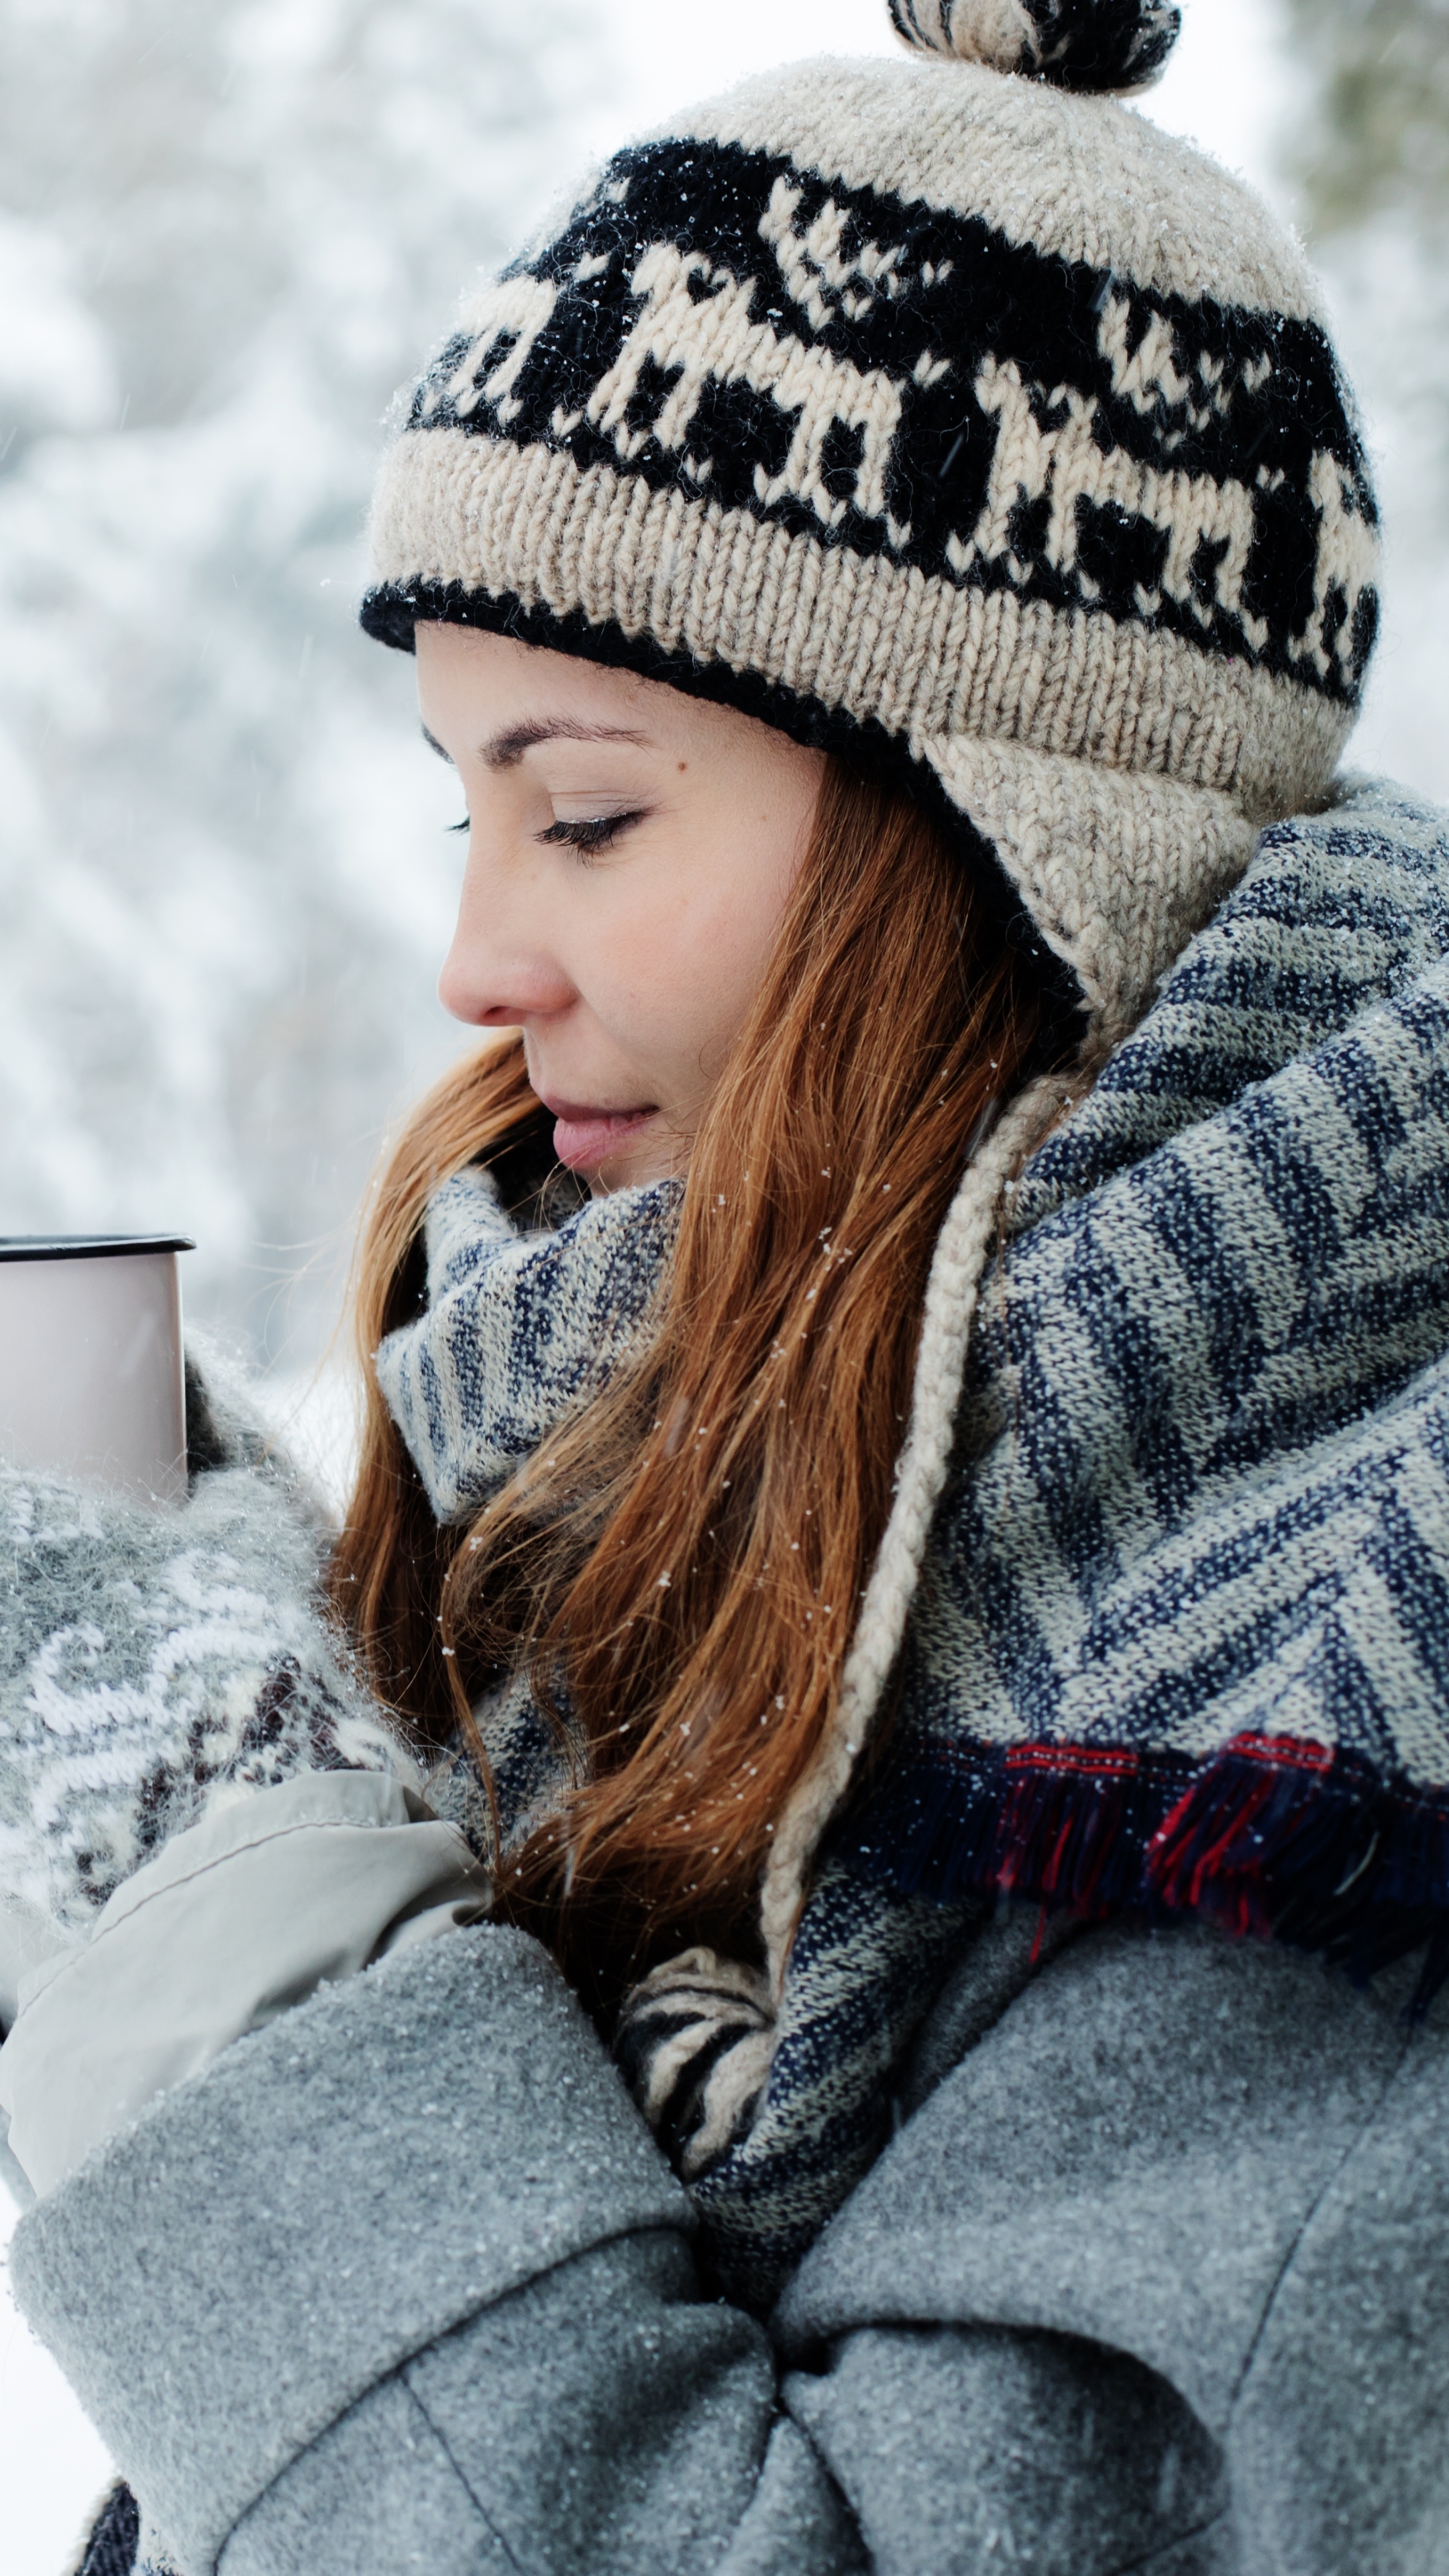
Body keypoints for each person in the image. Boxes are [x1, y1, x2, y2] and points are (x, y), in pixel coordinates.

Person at [3, 1, 1449, 2568]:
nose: (471, 956)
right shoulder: (675, 1472)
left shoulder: (1325, 1735)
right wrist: (204, 1641)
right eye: (459, 807)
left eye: (582, 813)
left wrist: (207, 1865)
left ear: (1013, 832)